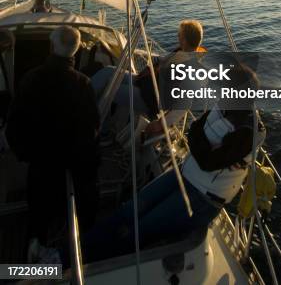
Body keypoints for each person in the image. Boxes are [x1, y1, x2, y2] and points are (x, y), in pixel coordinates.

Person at [60, 64, 265, 264]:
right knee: (126, 211)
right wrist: (200, 143)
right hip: (183, 174)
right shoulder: (222, 106)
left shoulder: (250, 130)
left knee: (139, 232)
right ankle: (62, 256)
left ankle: (74, 265)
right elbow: (194, 129)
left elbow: (207, 161)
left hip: (203, 197)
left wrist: (199, 141)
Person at [6, 26, 100, 254]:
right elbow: (93, 128)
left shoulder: (30, 79)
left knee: (39, 214)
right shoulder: (84, 83)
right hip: (75, 163)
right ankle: (80, 253)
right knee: (83, 208)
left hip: (41, 162)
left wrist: (23, 154)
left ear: (51, 47)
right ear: (76, 53)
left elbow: (14, 126)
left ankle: (31, 259)